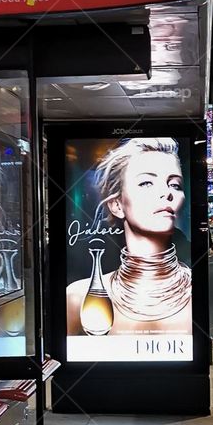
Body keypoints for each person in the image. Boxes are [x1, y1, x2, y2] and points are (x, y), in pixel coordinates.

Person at [67, 137, 192, 335]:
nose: (166, 193)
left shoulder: (196, 292)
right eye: (146, 183)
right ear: (117, 204)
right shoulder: (78, 297)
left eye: (175, 185)